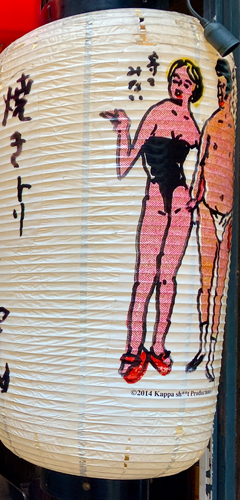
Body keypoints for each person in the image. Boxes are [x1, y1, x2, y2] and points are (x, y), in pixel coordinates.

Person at [100, 58, 203, 384]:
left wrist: (197, 194)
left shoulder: (194, 125)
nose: (179, 86)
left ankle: (158, 346)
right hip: (157, 198)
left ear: (194, 89)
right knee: (145, 278)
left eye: (186, 83)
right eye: (175, 79)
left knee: (167, 279)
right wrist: (123, 130)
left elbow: (204, 167)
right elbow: (125, 163)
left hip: (182, 206)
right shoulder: (158, 112)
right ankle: (133, 347)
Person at [187, 58, 235, 381]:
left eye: (224, 87)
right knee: (205, 284)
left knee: (219, 286)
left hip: (228, 212)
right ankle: (202, 345)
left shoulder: (234, 126)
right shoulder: (212, 124)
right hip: (206, 207)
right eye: (217, 87)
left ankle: (212, 348)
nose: (220, 93)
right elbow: (200, 166)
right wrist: (192, 200)